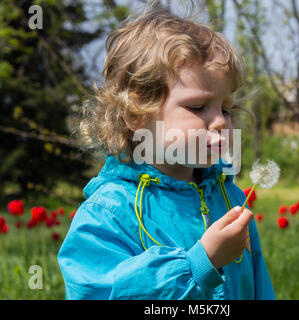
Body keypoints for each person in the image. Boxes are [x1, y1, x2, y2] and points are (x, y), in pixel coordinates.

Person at [57, 0, 275, 300]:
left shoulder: (231, 200)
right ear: (137, 114)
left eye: (226, 108)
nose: (220, 123)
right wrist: (200, 264)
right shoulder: (109, 212)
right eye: (198, 107)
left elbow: (259, 287)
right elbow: (101, 293)